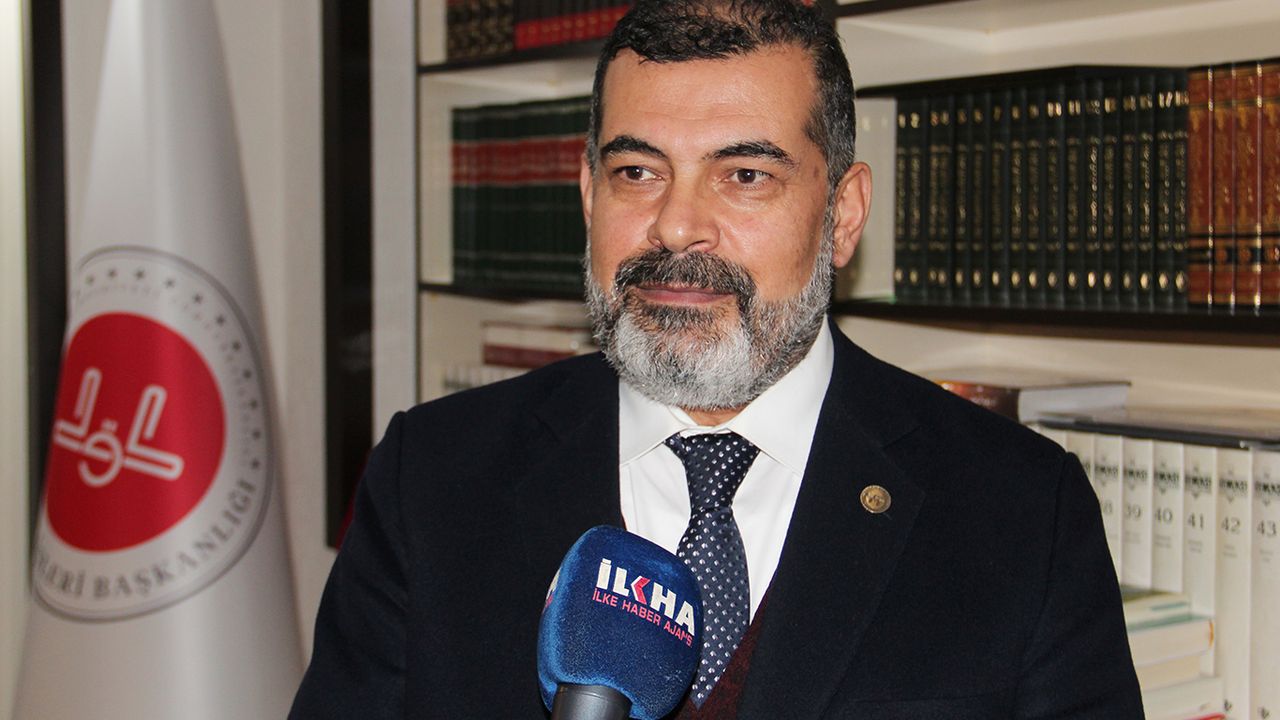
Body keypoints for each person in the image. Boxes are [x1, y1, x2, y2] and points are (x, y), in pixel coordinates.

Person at [291, 1, 1142, 717]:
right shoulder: (432, 476)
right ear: (588, 197)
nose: (676, 226)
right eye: (637, 172)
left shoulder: (1020, 510)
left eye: (744, 176)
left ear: (843, 215)